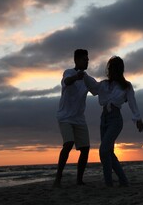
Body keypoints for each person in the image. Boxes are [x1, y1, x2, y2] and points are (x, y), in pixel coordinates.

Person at [83, 56, 143, 187]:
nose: (111, 70)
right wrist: (83, 75)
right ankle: (122, 181)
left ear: (119, 69)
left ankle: (108, 183)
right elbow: (93, 87)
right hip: (103, 118)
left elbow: (132, 102)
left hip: (115, 119)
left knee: (103, 150)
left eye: (113, 68)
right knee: (108, 152)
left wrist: (137, 118)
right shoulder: (104, 84)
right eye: (110, 67)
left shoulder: (126, 86)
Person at [54, 49, 91, 187]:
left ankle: (79, 180)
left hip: (79, 118)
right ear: (76, 60)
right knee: (68, 143)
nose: (87, 61)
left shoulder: (87, 78)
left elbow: (98, 88)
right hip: (65, 117)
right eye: (84, 59)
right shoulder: (69, 72)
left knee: (85, 148)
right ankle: (58, 179)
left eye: (87, 59)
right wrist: (76, 77)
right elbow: (67, 81)